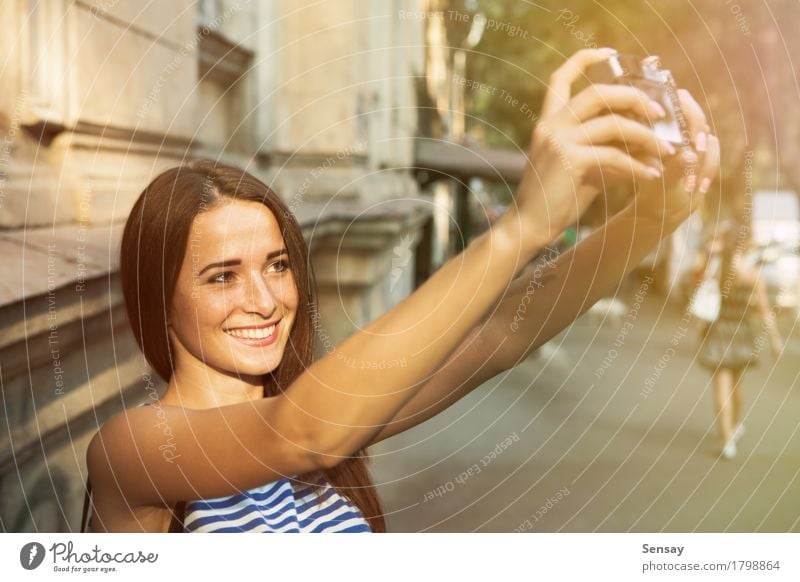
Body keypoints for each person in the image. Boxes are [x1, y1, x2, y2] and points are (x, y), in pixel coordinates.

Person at [82, 49, 719, 532]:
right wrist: (520, 228)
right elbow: (298, 432)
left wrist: (646, 223)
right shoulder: (134, 445)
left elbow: (500, 334)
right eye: (221, 275)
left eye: (277, 265)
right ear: (157, 296)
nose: (265, 298)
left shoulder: (331, 411)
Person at [698, 224, 783, 459]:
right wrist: (776, 340)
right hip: (743, 333)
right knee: (738, 385)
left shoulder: (718, 270)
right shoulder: (752, 274)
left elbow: (701, 293)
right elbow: (765, 310)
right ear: (745, 244)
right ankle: (734, 426)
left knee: (721, 388)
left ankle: (727, 442)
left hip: (719, 331)